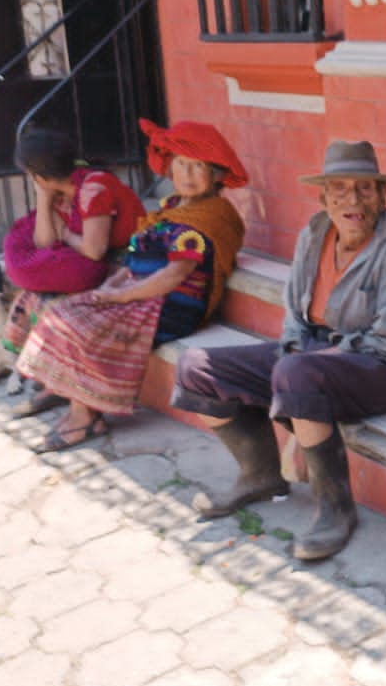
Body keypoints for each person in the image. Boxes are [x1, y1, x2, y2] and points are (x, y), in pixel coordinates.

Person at [170, 141, 386, 561]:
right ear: (323, 197)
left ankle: (335, 509)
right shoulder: (314, 234)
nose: (353, 200)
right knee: (197, 367)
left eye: (365, 189)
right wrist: (295, 355)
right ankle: (259, 476)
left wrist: (301, 368)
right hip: (307, 356)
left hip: (375, 368)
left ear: (382, 196)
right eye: (339, 190)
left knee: (297, 374)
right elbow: (294, 311)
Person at [15, 119, 247, 454]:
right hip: (143, 293)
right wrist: (113, 284)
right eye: (181, 164)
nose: (188, 174)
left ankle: (86, 415)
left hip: (173, 305)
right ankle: (74, 398)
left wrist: (121, 296)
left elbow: (174, 274)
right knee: (62, 310)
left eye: (199, 166)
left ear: (218, 175)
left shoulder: (211, 216)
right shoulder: (170, 208)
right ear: (169, 167)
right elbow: (137, 254)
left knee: (78, 324)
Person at [1, 128, 145, 408]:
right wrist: (44, 200)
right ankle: (56, 382)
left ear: (38, 176)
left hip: (129, 266)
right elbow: (44, 242)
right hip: (101, 265)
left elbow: (94, 249)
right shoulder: (61, 193)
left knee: (54, 307)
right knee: (30, 298)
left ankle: (75, 392)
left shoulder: (93, 188)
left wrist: (66, 234)